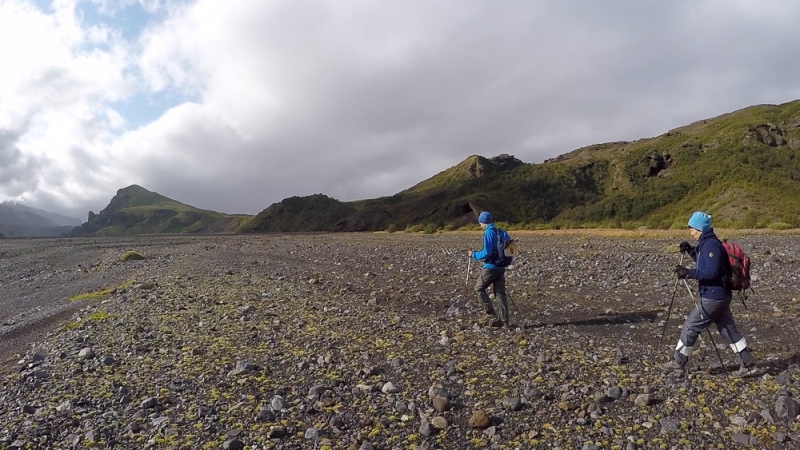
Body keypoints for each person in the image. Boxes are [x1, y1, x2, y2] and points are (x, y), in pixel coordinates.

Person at [660, 211, 758, 377]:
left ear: (699, 228)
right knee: (728, 330)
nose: (690, 232)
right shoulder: (706, 243)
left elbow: (711, 272)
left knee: (691, 327)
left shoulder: (711, 244)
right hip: (720, 295)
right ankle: (748, 365)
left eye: (692, 228)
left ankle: (678, 362)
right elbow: (704, 262)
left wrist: (688, 273)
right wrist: (690, 250)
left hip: (713, 297)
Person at [468, 211, 510, 328]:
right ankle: (504, 321)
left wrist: (473, 254)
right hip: (502, 266)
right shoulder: (502, 232)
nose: (480, 225)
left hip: (490, 267)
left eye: (480, 223)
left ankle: (490, 314)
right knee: (500, 293)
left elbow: (487, 252)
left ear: (482, 222)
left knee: (479, 288)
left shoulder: (488, 233)